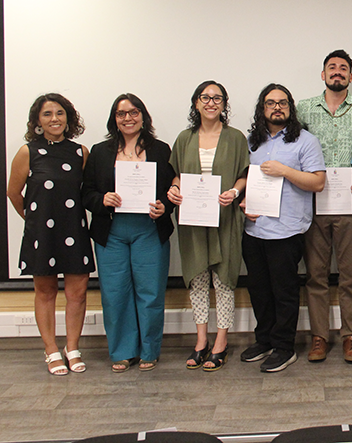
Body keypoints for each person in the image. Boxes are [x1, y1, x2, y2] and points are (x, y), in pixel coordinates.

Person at [82, 94, 174, 372]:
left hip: (149, 229)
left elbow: (173, 190)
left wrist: (164, 206)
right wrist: (102, 200)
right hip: (111, 232)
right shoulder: (99, 151)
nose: (128, 118)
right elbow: (86, 193)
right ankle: (122, 351)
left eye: (133, 112)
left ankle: (149, 350)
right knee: (114, 292)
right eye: (121, 114)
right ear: (114, 119)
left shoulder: (161, 150)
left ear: (143, 116)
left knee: (151, 292)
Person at [239, 84, 326, 373]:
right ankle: (263, 340)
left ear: (290, 108)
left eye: (283, 102)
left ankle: (284, 347)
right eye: (270, 103)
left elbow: (318, 183)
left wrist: (285, 171)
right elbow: (246, 178)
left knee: (284, 292)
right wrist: (243, 200)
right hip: (254, 228)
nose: (277, 107)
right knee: (259, 291)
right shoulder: (252, 141)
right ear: (262, 109)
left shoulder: (306, 141)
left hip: (286, 231)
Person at [7, 93, 93, 376]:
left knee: (77, 293)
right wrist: (34, 221)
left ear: (68, 118)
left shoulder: (81, 152)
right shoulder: (27, 152)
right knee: (45, 292)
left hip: (74, 231)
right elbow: (13, 192)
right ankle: (50, 350)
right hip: (41, 235)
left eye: (59, 113)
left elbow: (85, 193)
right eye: (47, 114)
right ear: (37, 121)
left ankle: (72, 348)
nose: (54, 119)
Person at [297, 50, 352, 364]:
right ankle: (319, 337)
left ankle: (351, 337)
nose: (337, 72)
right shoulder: (303, 109)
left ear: (350, 77)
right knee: (315, 275)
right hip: (313, 203)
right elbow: (292, 147)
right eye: (332, 68)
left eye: (343, 68)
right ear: (323, 74)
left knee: (350, 275)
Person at [167, 81, 249, 371]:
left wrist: (236, 192)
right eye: (206, 97)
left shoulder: (236, 138)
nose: (211, 102)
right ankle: (201, 341)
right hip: (192, 220)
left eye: (217, 98)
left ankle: (221, 342)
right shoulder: (184, 138)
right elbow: (176, 175)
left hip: (225, 218)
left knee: (224, 281)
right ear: (196, 103)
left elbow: (243, 175)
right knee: (198, 280)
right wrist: (174, 190)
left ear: (224, 104)